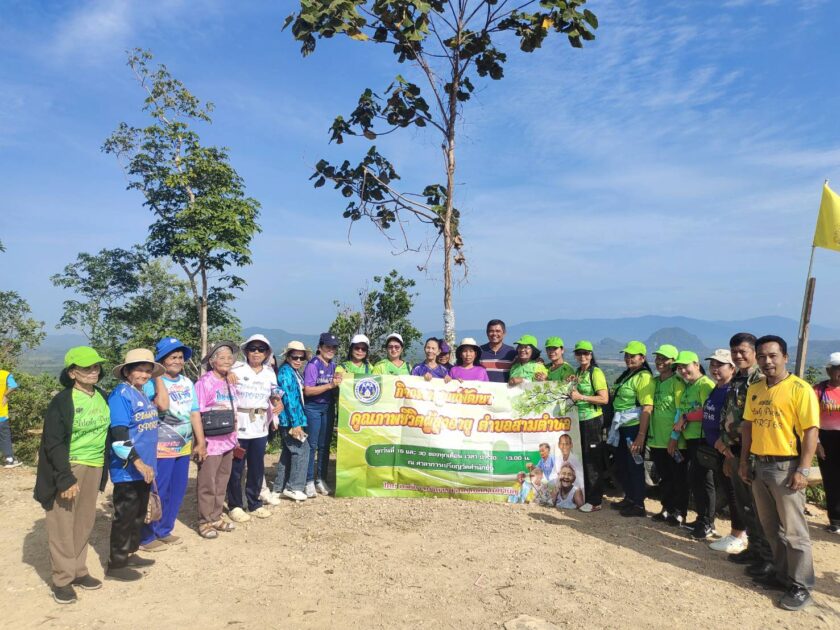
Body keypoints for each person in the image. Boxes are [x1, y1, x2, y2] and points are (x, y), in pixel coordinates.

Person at [739, 335, 819, 611]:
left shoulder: (799, 389)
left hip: (787, 467)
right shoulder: (756, 388)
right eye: (762, 356)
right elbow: (748, 426)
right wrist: (744, 461)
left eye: (773, 356)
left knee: (795, 531)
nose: (767, 361)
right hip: (760, 465)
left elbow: (810, 431)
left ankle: (802, 585)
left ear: (785, 357)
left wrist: (803, 469)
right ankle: (783, 575)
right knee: (771, 528)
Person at [34, 347, 109, 603]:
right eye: (87, 367)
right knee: (62, 525)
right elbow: (53, 442)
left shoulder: (102, 396)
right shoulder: (63, 401)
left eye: (96, 366)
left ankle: (78, 570)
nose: (94, 371)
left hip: (95, 465)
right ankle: (62, 580)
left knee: (84, 521)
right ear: (72, 372)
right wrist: (65, 477)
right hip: (69, 466)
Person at [139, 337, 207, 551]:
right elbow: (161, 406)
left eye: (180, 357)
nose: (177, 361)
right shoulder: (150, 384)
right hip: (160, 447)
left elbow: (194, 413)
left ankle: (164, 529)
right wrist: (158, 375)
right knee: (158, 491)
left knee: (177, 490)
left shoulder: (187, 382)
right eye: (172, 357)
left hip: (183, 446)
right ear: (161, 361)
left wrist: (200, 442)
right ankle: (147, 536)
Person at [716, 333, 774, 572]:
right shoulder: (738, 379)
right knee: (745, 505)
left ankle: (768, 558)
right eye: (734, 352)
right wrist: (725, 444)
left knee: (760, 508)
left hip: (752, 452)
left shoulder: (760, 380)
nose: (738, 355)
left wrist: (744, 455)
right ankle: (754, 549)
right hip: (734, 449)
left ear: (754, 353)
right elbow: (729, 414)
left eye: (743, 351)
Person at [106, 349, 161, 581]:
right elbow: (119, 433)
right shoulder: (120, 395)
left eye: (148, 371)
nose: (145, 374)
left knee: (138, 513)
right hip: (128, 467)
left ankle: (130, 552)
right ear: (127, 371)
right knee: (125, 515)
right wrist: (137, 461)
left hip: (145, 466)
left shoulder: (141, 392)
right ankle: (117, 564)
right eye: (139, 370)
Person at [226, 334, 280, 520]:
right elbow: (216, 372)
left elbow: (274, 393)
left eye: (261, 349)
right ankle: (235, 505)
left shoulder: (269, 372)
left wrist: (278, 402)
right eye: (252, 348)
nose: (256, 352)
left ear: (267, 353)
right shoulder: (236, 368)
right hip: (239, 423)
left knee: (257, 467)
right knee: (236, 467)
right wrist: (227, 374)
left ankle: (254, 502)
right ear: (246, 351)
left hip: (260, 425)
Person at [700, 349, 748, 553]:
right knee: (729, 490)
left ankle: (739, 535)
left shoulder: (732, 390)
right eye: (712, 364)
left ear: (732, 368)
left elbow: (735, 421)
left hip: (729, 448)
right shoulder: (717, 388)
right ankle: (738, 533)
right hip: (718, 447)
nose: (714, 368)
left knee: (734, 492)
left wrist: (727, 446)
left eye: (720, 365)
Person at [194, 341, 240, 539]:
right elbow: (196, 413)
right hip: (211, 442)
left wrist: (235, 438)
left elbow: (234, 409)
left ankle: (216, 516)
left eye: (230, 357)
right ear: (212, 362)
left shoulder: (230, 380)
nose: (227, 361)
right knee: (207, 483)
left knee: (222, 481)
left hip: (228, 439)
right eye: (222, 358)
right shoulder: (204, 383)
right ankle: (204, 521)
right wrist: (200, 442)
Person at [668, 350, 715, 539]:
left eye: (685, 366)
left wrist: (687, 417)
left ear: (696, 364)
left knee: (704, 481)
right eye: (679, 367)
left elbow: (708, 411)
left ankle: (708, 523)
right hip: (691, 439)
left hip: (703, 439)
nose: (682, 370)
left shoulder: (705, 384)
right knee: (695, 480)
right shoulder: (690, 386)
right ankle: (702, 518)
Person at [609, 341, 655, 518]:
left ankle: (639, 504)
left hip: (634, 427)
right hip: (622, 425)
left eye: (632, 356)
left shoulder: (644, 377)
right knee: (623, 463)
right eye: (626, 355)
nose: (628, 359)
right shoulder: (629, 374)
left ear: (642, 358)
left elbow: (647, 407)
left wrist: (641, 435)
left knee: (634, 465)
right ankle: (629, 497)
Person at [648, 344, 688, 526]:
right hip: (657, 440)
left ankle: (679, 512)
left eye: (664, 359)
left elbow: (680, 411)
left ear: (673, 362)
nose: (660, 362)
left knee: (678, 477)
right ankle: (666, 508)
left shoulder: (677, 382)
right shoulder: (655, 381)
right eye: (658, 358)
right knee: (664, 477)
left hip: (674, 441)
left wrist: (674, 437)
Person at [569, 341, 609, 513]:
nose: (582, 356)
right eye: (579, 353)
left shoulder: (596, 372)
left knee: (593, 460)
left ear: (591, 355)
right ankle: (587, 496)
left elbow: (604, 399)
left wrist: (582, 397)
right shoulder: (579, 372)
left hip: (592, 420)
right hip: (580, 420)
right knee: (583, 459)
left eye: (586, 353)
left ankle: (595, 501)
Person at [304, 333, 343, 497]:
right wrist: (330, 385)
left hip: (328, 407)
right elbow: (308, 390)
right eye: (327, 346)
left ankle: (321, 478)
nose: (331, 350)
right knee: (311, 445)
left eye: (334, 347)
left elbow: (335, 386)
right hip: (313, 407)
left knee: (324, 445)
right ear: (320, 347)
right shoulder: (313, 365)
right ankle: (308, 480)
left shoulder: (333, 365)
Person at [272, 341, 311, 502]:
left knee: (288, 452)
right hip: (290, 420)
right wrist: (296, 424)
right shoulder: (286, 374)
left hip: (291, 419)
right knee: (302, 450)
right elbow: (289, 399)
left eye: (301, 358)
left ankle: (279, 487)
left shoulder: (292, 372)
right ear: (288, 357)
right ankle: (294, 487)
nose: (298, 360)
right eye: (295, 357)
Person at [815, 352, 840, 534]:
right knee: (831, 480)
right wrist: (817, 443)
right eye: (837, 368)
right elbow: (810, 420)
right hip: (826, 439)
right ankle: (836, 520)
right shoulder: (818, 390)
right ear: (829, 370)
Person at [0, 367, 21, 467]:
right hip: (1, 413)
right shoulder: (5, 374)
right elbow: (13, 386)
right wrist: (5, 395)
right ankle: (9, 459)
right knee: (4, 436)